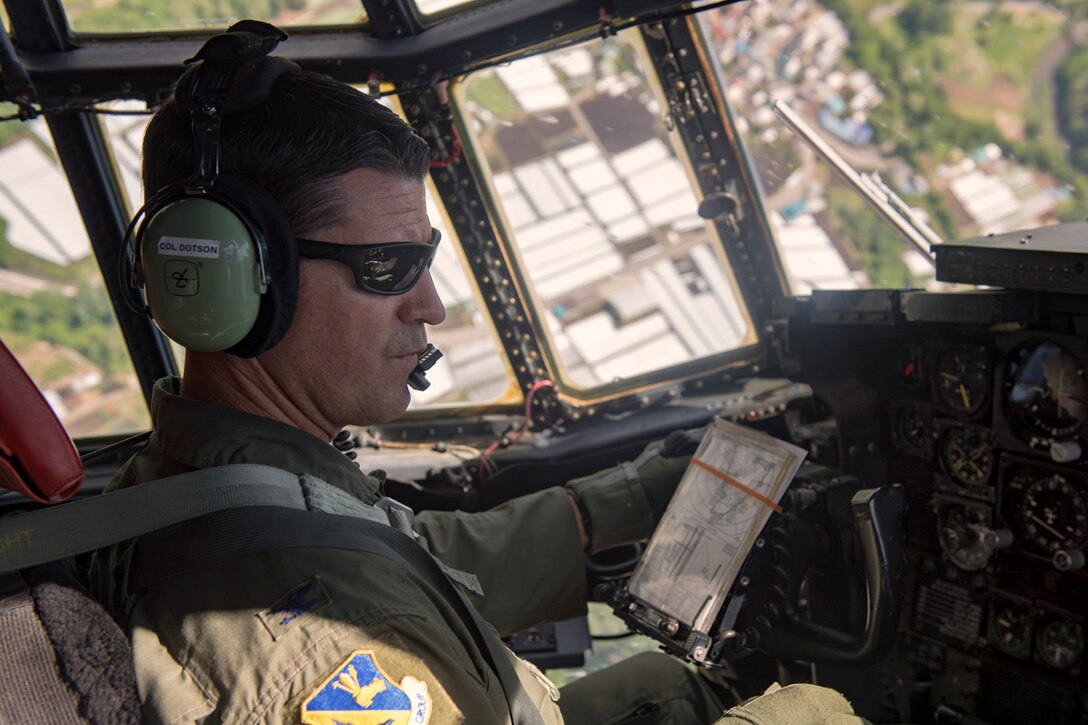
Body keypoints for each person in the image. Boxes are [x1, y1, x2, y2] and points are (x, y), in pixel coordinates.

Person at [96, 24, 869, 725]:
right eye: (387, 267)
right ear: (240, 277)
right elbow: (372, 601)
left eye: (424, 262)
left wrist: (621, 502)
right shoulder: (323, 659)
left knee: (674, 687)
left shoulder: (202, 480)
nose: (429, 306)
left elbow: (407, 558)